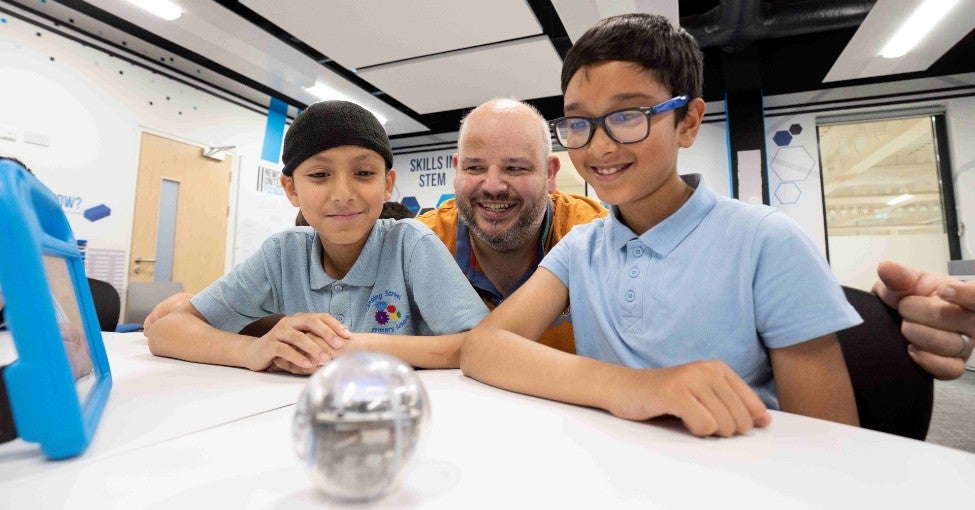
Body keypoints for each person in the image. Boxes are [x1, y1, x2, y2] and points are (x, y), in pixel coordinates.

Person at [460, 13, 864, 437]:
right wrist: (632, 387)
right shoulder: (581, 248)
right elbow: (483, 347)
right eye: (579, 123)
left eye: (628, 116)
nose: (599, 147)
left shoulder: (765, 241)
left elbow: (829, 441)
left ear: (687, 122)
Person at [145, 100, 488, 374]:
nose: (342, 193)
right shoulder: (282, 254)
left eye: (364, 173)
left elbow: (481, 344)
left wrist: (353, 346)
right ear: (291, 188)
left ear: (387, 183)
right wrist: (252, 349)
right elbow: (167, 331)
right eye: (320, 174)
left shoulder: (409, 243)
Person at [416, 98, 607, 353]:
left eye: (515, 168)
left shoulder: (599, 240)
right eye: (474, 167)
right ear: (457, 170)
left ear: (550, 173)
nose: (493, 186)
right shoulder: (419, 245)